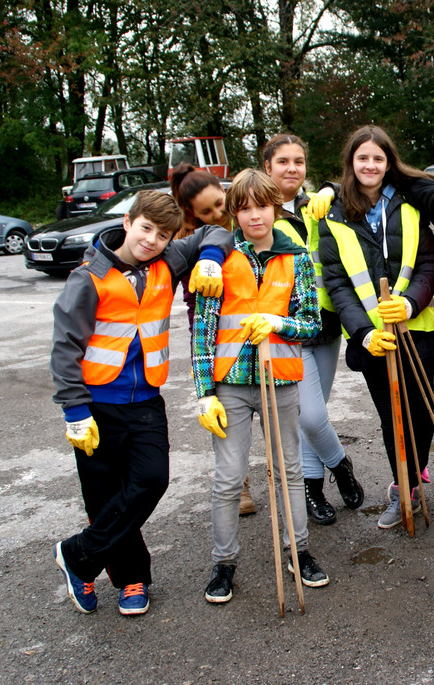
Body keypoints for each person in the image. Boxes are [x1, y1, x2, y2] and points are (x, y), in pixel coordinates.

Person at [51, 190, 232, 616]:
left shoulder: (168, 261)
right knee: (106, 497)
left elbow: (215, 231)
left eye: (163, 234)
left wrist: (208, 257)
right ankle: (131, 578)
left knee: (150, 480)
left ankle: (77, 556)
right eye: (146, 228)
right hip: (96, 405)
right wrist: (75, 410)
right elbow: (65, 348)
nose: (152, 240)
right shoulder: (88, 277)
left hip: (146, 400)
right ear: (128, 223)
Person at [193, 169, 327, 603]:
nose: (254, 216)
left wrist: (278, 323)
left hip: (280, 381)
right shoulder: (219, 256)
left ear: (275, 207)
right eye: (245, 208)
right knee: (229, 477)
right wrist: (203, 391)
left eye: (262, 206)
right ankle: (224, 563)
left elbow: (312, 324)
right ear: (235, 212)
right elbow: (202, 329)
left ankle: (299, 551)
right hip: (229, 383)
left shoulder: (298, 257)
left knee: (288, 470)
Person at [317, 125, 434, 530]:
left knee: (421, 413)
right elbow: (336, 282)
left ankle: (417, 472)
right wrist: (363, 332)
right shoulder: (333, 213)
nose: (370, 165)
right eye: (362, 158)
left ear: (389, 163)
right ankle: (403, 488)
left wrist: (409, 302)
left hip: (415, 330)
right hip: (373, 340)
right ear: (350, 164)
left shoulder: (410, 202)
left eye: (378, 158)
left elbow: (428, 263)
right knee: (392, 418)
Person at [261, 133, 365, 526]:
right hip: (285, 327)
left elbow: (351, 188)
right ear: (267, 166)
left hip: (325, 322)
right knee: (307, 416)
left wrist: (329, 187)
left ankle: (312, 486)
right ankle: (339, 465)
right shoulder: (260, 208)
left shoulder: (316, 204)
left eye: (299, 162)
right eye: (283, 161)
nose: (292, 169)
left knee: (310, 413)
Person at [169, 164, 260, 518]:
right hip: (212, 335)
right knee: (223, 412)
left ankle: (292, 481)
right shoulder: (187, 239)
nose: (219, 214)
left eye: (221, 204)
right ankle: (239, 486)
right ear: (192, 213)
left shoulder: (246, 219)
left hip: (251, 327)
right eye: (207, 211)